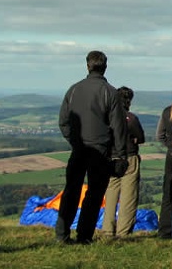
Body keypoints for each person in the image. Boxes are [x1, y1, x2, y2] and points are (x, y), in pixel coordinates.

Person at [56, 50, 127, 245]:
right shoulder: (110, 92)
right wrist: (120, 155)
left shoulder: (73, 90)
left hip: (79, 149)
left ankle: (62, 234)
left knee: (71, 190)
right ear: (105, 66)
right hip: (101, 151)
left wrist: (75, 142)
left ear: (87, 65)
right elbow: (119, 127)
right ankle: (84, 236)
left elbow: (63, 122)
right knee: (94, 194)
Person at [103, 86, 145, 238]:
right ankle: (123, 232)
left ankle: (107, 230)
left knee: (111, 194)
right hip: (129, 157)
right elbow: (141, 138)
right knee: (129, 196)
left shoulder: (107, 117)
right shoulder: (131, 118)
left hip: (111, 158)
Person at [155, 103, 172, 239]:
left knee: (168, 192)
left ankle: (165, 230)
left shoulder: (167, 111)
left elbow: (160, 135)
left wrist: (170, 145)